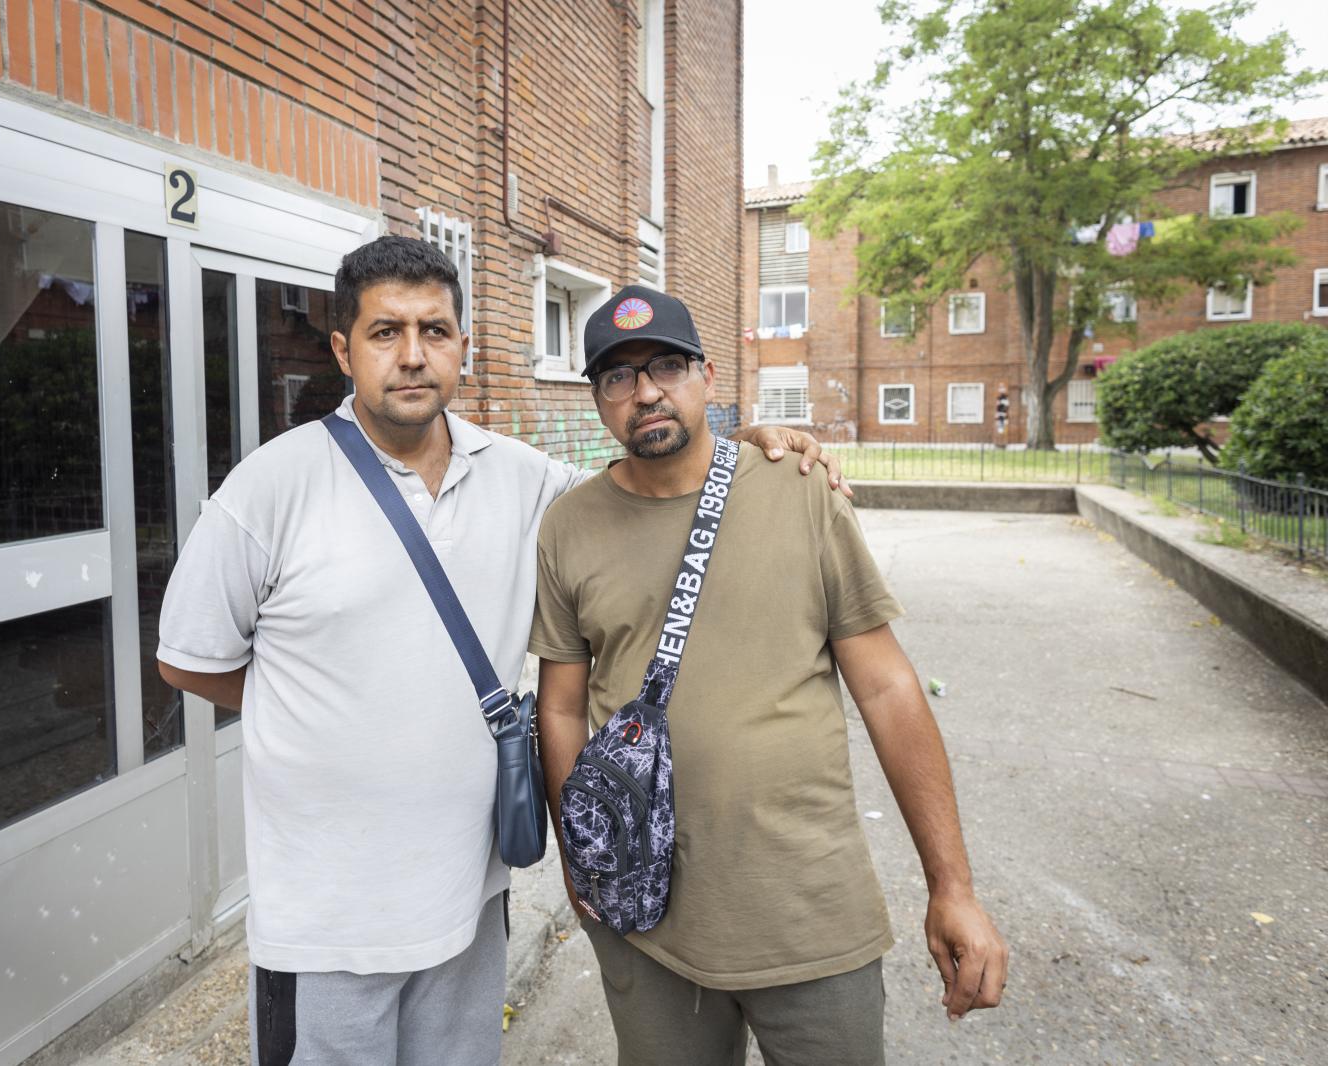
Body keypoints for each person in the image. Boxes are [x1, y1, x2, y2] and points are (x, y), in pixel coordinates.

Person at [153, 238, 846, 1065]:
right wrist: (318, 708)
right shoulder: (269, 489)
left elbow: (647, 487)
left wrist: (746, 444)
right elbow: (188, 659)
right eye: (385, 333)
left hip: (470, 898)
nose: (413, 355)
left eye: (434, 331)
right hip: (327, 921)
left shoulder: (520, 479)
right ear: (342, 349)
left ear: (464, 346)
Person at [532, 284, 1008, 1066]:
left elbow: (887, 689)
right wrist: (580, 854)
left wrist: (951, 886)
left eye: (666, 366)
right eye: (617, 376)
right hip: (648, 919)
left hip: (807, 909)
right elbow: (559, 707)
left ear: (709, 376)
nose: (645, 392)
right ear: (597, 399)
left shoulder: (798, 489)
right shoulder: (569, 525)